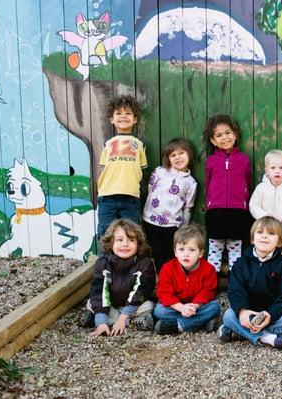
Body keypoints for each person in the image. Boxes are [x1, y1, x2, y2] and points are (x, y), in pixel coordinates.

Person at [218, 216, 282, 351]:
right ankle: (270, 339)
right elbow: (235, 290)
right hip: (248, 313)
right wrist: (242, 310)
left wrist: (270, 314)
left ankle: (238, 332)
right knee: (228, 315)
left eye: (271, 233)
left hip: (272, 315)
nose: (264, 237)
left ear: (279, 241)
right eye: (260, 232)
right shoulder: (241, 264)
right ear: (252, 238)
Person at [84, 219, 156, 336]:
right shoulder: (103, 263)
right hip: (110, 306)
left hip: (133, 306)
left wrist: (122, 318)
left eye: (131, 240)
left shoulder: (144, 263)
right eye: (119, 240)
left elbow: (140, 293)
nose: (125, 244)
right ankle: (113, 322)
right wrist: (101, 322)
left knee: (149, 305)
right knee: (91, 303)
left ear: (138, 244)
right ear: (110, 243)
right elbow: (100, 293)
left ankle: (120, 320)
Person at [204, 114, 252, 273]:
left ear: (235, 134)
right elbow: (208, 184)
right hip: (215, 212)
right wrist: (209, 205)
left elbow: (248, 182)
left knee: (235, 250)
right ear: (213, 140)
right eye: (219, 135)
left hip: (237, 211)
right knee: (215, 250)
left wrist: (244, 203)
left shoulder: (244, 160)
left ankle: (235, 283)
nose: (224, 137)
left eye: (228, 133)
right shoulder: (211, 161)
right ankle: (211, 282)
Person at [153, 224, 220, 335]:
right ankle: (200, 322)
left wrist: (194, 306)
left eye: (192, 250)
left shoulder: (209, 269)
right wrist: (181, 308)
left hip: (197, 307)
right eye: (181, 249)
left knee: (215, 307)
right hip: (176, 307)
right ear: (175, 252)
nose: (186, 254)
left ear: (201, 253)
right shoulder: (167, 268)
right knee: (158, 310)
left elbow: (208, 291)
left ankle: (178, 325)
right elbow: (164, 293)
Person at [96, 95, 147, 241]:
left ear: (135, 119)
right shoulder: (108, 144)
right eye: (118, 113)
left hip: (130, 197)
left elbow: (142, 168)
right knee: (105, 233)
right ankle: (105, 262)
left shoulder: (139, 144)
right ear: (112, 119)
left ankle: (130, 262)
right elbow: (104, 168)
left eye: (128, 113)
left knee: (131, 233)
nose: (123, 116)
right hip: (107, 196)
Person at [142, 138, 197, 272]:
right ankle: (162, 283)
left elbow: (188, 207)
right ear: (168, 158)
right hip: (151, 221)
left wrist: (183, 229)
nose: (177, 157)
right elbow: (150, 189)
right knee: (158, 254)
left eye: (181, 153)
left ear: (189, 154)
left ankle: (174, 281)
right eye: (173, 155)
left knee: (172, 256)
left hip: (172, 225)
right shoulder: (159, 171)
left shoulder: (190, 182)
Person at [249, 149, 282, 263]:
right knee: (265, 256)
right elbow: (253, 205)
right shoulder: (261, 188)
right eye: (273, 168)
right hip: (266, 232)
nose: (277, 171)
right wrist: (265, 218)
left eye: (281, 168)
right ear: (266, 170)